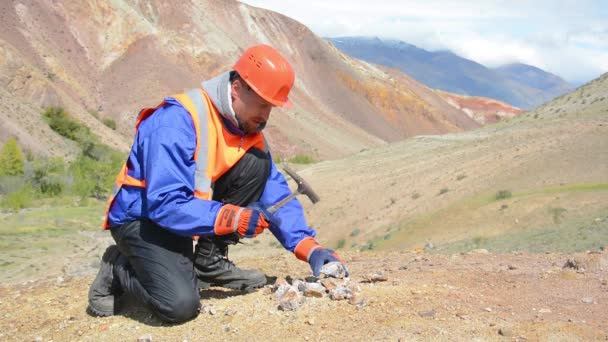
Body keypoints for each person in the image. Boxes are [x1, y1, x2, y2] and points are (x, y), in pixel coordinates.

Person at [87, 44, 348, 324]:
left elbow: (274, 194)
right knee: (180, 305)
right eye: (261, 104)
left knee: (257, 163)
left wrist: (310, 248)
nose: (266, 115)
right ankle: (119, 266)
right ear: (237, 88)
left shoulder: (247, 129)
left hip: (181, 218)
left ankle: (208, 262)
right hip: (141, 219)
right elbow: (164, 203)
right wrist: (232, 217)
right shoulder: (176, 121)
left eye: (270, 107)